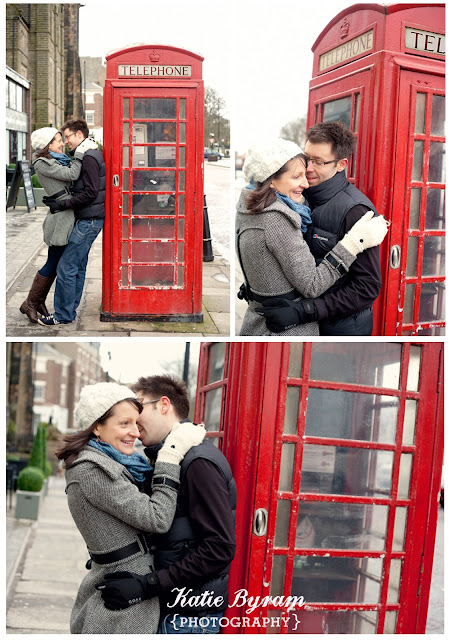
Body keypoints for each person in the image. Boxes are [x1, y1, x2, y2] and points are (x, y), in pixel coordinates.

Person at [55, 381, 205, 634]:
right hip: (122, 597)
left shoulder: (119, 462)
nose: (135, 432)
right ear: (97, 428)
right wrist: (170, 457)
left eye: (136, 423)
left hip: (130, 585)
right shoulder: (92, 469)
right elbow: (157, 518)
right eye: (124, 423)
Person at [96, 375, 236, 635]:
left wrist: (148, 584)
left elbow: (220, 548)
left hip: (187, 617)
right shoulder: (165, 460)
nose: (134, 424)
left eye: (138, 410)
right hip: (169, 609)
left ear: (163, 405)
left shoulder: (197, 463)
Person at [236, 138, 388, 335]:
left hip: (342, 329)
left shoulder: (350, 208)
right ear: (271, 179)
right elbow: (310, 282)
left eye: (319, 161)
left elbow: (367, 286)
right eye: (307, 160)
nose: (307, 177)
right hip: (284, 328)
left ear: (341, 164)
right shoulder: (283, 212)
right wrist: (353, 242)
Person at [19, 127, 94, 323]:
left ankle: (38, 301)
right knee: (53, 262)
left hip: (66, 215)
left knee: (56, 262)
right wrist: (80, 152)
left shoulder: (55, 159)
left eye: (62, 139)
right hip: (60, 220)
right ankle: (31, 303)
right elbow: (72, 174)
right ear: (47, 145)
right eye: (58, 140)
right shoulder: (43, 163)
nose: (62, 143)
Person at [38, 118, 105, 326]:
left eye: (67, 137)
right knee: (78, 266)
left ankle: (62, 315)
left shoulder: (89, 156)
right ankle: (69, 312)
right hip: (88, 217)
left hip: (89, 220)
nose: (66, 141)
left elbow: (91, 191)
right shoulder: (85, 154)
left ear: (79, 135)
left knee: (66, 267)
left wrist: (65, 204)